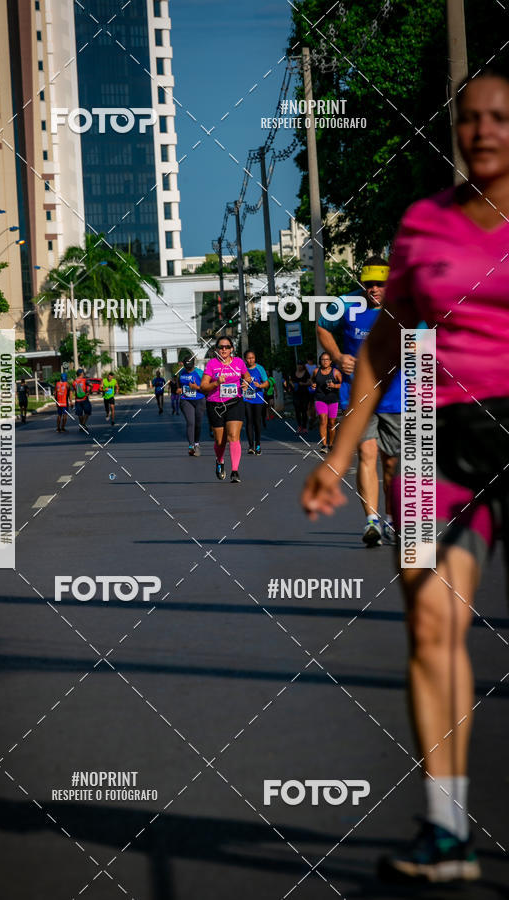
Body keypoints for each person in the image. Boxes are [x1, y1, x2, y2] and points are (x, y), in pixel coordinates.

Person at [301, 65, 509, 885]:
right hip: (432, 428)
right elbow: (379, 354)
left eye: (499, 117)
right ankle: (448, 833)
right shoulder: (424, 226)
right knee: (430, 626)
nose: (483, 130)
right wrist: (340, 454)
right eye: (470, 119)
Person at [316, 257, 401, 547]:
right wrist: (339, 357)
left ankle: (390, 518)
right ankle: (371, 521)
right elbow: (322, 326)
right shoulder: (346, 303)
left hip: (395, 397)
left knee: (391, 464)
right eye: (369, 284)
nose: (373, 289)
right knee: (367, 454)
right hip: (358, 396)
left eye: (380, 284)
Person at [200, 337, 253, 483]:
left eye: (227, 347)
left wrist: (246, 383)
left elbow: (247, 376)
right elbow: (203, 386)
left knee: (233, 436)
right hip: (215, 405)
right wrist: (216, 382)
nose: (224, 349)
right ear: (217, 349)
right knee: (220, 441)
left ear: (232, 349)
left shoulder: (239, 363)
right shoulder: (212, 364)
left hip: (235, 402)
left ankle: (235, 471)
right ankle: (220, 460)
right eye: (221, 347)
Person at [311, 352, 341, 451]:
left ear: (330, 361)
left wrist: (334, 386)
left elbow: (342, 384)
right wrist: (313, 385)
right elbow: (312, 380)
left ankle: (331, 444)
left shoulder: (336, 372)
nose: (325, 361)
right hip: (320, 399)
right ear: (320, 361)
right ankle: (324, 445)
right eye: (323, 359)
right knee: (323, 420)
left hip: (333, 400)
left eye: (327, 359)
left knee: (332, 423)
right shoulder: (316, 371)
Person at [177, 358, 206, 456]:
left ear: (194, 364)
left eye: (190, 367)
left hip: (199, 400)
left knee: (198, 424)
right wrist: (179, 389)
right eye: (186, 367)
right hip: (186, 400)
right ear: (184, 365)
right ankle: (191, 446)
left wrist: (196, 387)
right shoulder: (182, 372)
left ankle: (196, 443)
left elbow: (206, 387)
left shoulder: (200, 373)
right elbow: (178, 382)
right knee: (190, 422)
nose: (188, 370)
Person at [242, 350, 269, 455]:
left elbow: (266, 383)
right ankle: (250, 446)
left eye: (252, 357)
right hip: (246, 398)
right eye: (248, 358)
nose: (251, 360)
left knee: (257, 422)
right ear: (245, 359)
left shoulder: (260, 368)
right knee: (249, 421)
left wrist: (260, 386)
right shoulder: (242, 369)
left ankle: (258, 444)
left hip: (258, 398)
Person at [286, 363, 311, 433]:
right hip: (296, 394)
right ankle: (299, 426)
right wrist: (292, 384)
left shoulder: (306, 373)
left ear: (303, 366)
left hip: (305, 394)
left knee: (304, 410)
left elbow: (310, 382)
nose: (299, 366)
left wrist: (303, 384)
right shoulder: (293, 372)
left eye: (301, 365)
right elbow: (290, 380)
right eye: (298, 365)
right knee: (297, 410)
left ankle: (305, 427)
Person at [72, 368, 92, 432]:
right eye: (83, 373)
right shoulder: (85, 380)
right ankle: (83, 424)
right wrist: (88, 392)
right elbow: (91, 385)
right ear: (81, 374)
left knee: (80, 414)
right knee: (87, 412)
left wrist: (70, 401)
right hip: (84, 399)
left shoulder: (74, 382)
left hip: (77, 400)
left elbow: (71, 391)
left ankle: (82, 426)